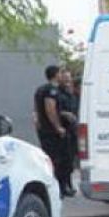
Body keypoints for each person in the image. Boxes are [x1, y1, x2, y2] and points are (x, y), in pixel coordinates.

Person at [35, 65, 75, 198]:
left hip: (45, 130)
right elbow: (50, 109)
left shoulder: (41, 89)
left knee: (56, 160)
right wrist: (58, 127)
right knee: (57, 161)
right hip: (52, 132)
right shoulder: (51, 90)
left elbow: (36, 111)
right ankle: (57, 190)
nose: (62, 76)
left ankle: (61, 188)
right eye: (60, 73)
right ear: (56, 75)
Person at [58, 69, 80, 173]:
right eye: (65, 78)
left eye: (68, 78)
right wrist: (64, 114)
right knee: (64, 160)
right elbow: (53, 110)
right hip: (63, 130)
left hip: (74, 130)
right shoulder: (57, 94)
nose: (67, 80)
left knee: (73, 156)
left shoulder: (74, 95)